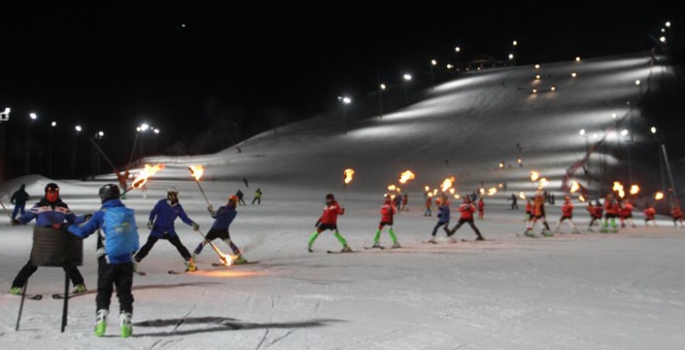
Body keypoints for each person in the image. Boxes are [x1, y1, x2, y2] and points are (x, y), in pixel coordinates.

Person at [67, 184, 137, 338]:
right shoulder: (126, 213)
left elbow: (83, 232)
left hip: (107, 260)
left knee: (104, 291)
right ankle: (126, 324)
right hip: (126, 259)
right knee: (124, 292)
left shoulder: (101, 214)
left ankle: (101, 323)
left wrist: (69, 227)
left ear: (103, 197)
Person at [9, 183, 88, 295]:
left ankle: (79, 284)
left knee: (67, 263)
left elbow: (73, 220)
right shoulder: (39, 206)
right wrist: (18, 221)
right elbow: (27, 217)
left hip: (57, 239)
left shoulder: (63, 206)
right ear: (46, 193)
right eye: (50, 192)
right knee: (33, 264)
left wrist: (84, 218)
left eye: (55, 192)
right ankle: (16, 286)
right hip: (43, 239)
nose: (52, 194)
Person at [134, 188, 199, 272]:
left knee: (179, 246)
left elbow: (184, 218)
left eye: (173, 194)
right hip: (157, 229)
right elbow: (153, 212)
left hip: (169, 231)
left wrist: (193, 224)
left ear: (176, 195)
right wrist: (150, 220)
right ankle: (135, 262)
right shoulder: (162, 203)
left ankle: (191, 264)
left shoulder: (178, 207)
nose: (171, 196)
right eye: (169, 194)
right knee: (148, 246)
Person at [193, 195, 248, 264]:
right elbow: (214, 216)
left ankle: (240, 258)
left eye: (232, 201)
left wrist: (217, 213)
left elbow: (222, 216)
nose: (230, 202)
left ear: (235, 203)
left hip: (223, 230)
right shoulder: (222, 208)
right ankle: (193, 257)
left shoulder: (233, 212)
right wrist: (210, 210)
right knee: (204, 242)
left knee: (229, 243)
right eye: (230, 200)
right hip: (214, 230)